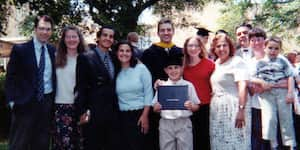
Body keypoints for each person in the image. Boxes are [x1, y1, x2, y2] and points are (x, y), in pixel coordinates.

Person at [5, 15, 56, 150]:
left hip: (46, 103)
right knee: (18, 144)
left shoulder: (53, 51)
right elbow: (11, 77)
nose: (45, 32)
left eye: (48, 29)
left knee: (42, 143)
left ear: (51, 31)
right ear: (35, 29)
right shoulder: (20, 50)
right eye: (42, 28)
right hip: (24, 104)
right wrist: (12, 101)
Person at [75, 25, 121, 150]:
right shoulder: (86, 57)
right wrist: (82, 111)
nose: (108, 38)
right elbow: (80, 86)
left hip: (112, 113)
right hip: (94, 112)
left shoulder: (115, 58)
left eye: (111, 36)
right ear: (98, 37)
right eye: (105, 35)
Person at [141, 18, 182, 150]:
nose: (166, 33)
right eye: (162, 30)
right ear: (158, 33)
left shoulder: (180, 52)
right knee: (158, 139)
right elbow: (145, 77)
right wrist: (155, 81)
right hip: (157, 103)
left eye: (168, 30)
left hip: (178, 101)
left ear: (173, 32)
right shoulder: (148, 53)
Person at [252, 36, 296, 150]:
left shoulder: (282, 60)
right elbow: (251, 78)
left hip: (282, 92)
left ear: (280, 50)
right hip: (267, 93)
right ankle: (273, 145)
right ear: (265, 48)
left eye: (276, 49)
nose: (273, 51)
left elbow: (290, 76)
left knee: (286, 118)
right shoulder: (260, 63)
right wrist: (261, 82)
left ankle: (290, 144)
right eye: (270, 48)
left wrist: (290, 92)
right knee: (270, 118)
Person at [209, 34, 251, 150]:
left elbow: (243, 86)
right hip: (218, 110)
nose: (222, 49)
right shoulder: (216, 63)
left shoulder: (237, 62)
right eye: (218, 46)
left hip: (233, 107)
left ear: (230, 46)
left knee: (235, 142)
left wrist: (241, 110)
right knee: (220, 142)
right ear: (214, 48)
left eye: (224, 45)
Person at [152, 53, 200, 150]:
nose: (173, 70)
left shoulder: (188, 85)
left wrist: (191, 106)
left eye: (176, 67)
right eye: (170, 68)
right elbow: (155, 108)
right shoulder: (162, 86)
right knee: (166, 147)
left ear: (182, 69)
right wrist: (156, 109)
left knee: (186, 147)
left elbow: (197, 106)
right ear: (166, 70)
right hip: (166, 123)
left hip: (183, 122)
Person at [114, 40, 153, 150]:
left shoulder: (141, 69)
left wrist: (145, 116)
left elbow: (149, 93)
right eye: (121, 50)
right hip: (121, 116)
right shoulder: (114, 70)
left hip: (139, 115)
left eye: (128, 51)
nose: (124, 53)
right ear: (117, 53)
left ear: (132, 53)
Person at [52, 26, 86, 150]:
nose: (71, 39)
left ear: (79, 39)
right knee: (63, 145)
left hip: (80, 108)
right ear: (63, 39)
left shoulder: (87, 58)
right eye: (68, 37)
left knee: (81, 144)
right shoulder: (55, 57)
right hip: (60, 107)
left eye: (74, 36)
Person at [182, 36, 215, 150]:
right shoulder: (183, 67)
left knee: (204, 140)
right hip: (189, 108)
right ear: (186, 48)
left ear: (201, 48)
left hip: (206, 107)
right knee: (191, 141)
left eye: (196, 46)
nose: (193, 48)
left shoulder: (210, 64)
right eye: (190, 45)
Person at [246, 27, 272, 150]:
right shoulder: (248, 63)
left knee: (271, 140)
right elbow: (248, 83)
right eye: (253, 40)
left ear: (264, 41)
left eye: (259, 39)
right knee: (257, 138)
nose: (256, 43)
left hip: (272, 105)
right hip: (255, 106)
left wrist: (265, 86)